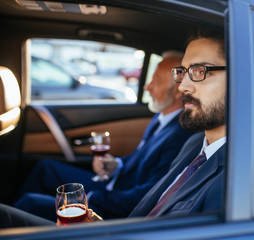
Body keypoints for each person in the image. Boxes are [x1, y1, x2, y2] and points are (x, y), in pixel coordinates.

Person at [0, 29, 227, 226]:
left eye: (200, 71)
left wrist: (97, 206)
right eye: (183, 73)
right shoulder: (195, 144)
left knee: (19, 209)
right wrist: (99, 225)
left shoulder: (231, 180)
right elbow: (148, 205)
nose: (184, 86)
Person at [13, 51, 195, 221]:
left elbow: (150, 193)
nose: (147, 87)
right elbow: (138, 158)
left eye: (154, 82)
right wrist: (116, 165)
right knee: (45, 168)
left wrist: (91, 199)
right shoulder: (161, 118)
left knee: (30, 203)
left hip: (117, 203)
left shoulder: (180, 135)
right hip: (114, 184)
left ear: (178, 90)